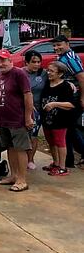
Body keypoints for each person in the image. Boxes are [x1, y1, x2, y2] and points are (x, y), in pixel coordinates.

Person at [0, 49, 34, 192]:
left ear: (10, 60)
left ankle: (22, 180)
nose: (0, 64)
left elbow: (28, 95)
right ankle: (13, 175)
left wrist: (28, 117)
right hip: (4, 119)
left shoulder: (19, 73)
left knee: (20, 148)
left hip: (18, 118)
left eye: (3, 60)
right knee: (10, 147)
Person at [52, 34, 84, 169]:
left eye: (59, 45)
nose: (56, 48)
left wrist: (83, 98)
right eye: (54, 46)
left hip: (74, 97)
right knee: (67, 128)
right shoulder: (63, 57)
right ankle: (68, 160)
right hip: (66, 96)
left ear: (67, 44)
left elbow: (82, 78)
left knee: (70, 128)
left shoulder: (70, 59)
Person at [40, 61, 76, 176]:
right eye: (48, 70)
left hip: (60, 120)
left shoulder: (65, 86)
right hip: (47, 120)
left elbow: (71, 104)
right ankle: (55, 163)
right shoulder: (46, 84)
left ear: (60, 74)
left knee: (60, 142)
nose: (48, 73)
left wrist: (54, 104)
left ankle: (62, 167)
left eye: (52, 71)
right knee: (51, 141)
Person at [23, 50, 46, 170]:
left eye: (39, 62)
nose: (37, 64)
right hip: (22, 108)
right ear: (26, 62)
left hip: (37, 110)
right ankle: (21, 158)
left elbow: (56, 79)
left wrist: (70, 84)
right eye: (33, 62)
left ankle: (30, 159)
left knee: (33, 135)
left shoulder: (43, 74)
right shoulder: (20, 73)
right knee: (23, 135)